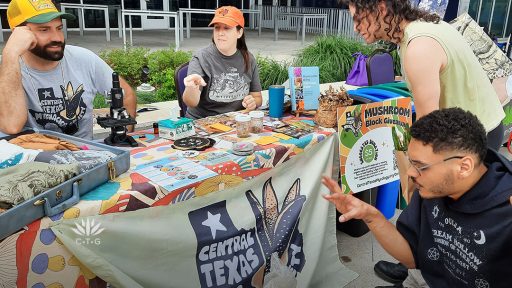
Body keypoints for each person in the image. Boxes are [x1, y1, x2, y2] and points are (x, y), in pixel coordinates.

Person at [323, 108, 512, 288]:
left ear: (463, 167)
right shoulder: (432, 189)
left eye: (421, 166)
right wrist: (371, 216)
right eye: (411, 162)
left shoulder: (506, 212)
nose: (411, 172)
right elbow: (412, 258)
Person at [0, 0, 136, 140]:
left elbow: (126, 95)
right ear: (17, 33)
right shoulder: (5, 68)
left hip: (86, 156)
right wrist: (10, 53)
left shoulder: (84, 58)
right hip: (34, 159)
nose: (57, 38)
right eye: (44, 30)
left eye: (59, 28)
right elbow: (11, 125)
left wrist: (123, 140)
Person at [182, 6, 262, 119]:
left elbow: (257, 97)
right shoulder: (201, 58)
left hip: (235, 122)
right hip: (203, 122)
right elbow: (191, 102)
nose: (220, 33)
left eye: (227, 28)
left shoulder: (248, 59)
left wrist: (253, 102)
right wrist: (192, 88)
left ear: (239, 32)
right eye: (217, 28)